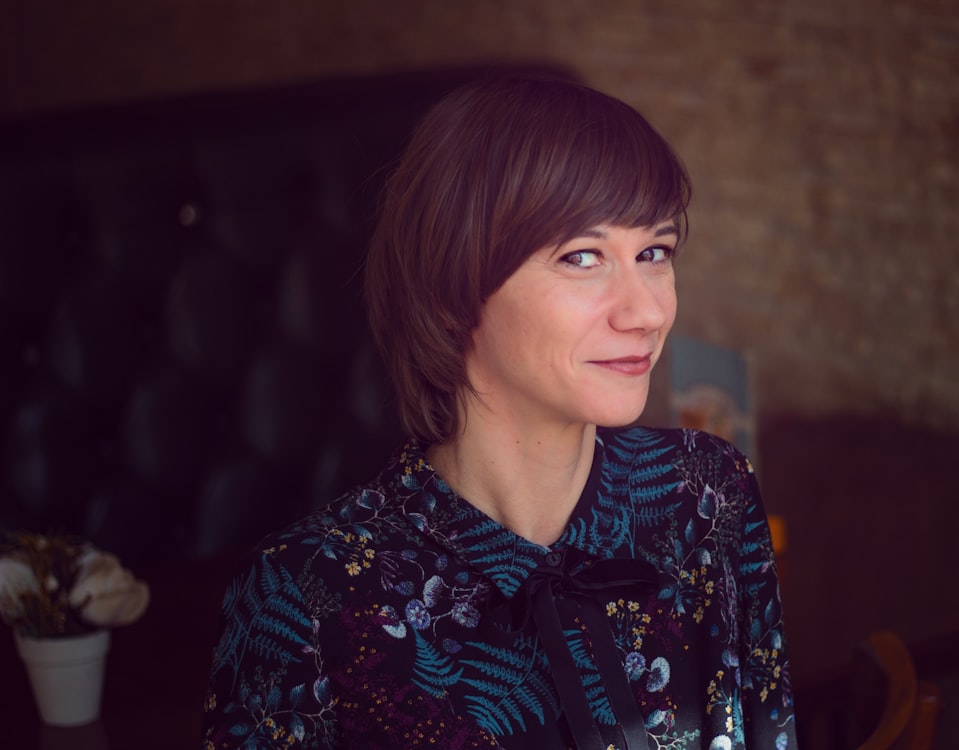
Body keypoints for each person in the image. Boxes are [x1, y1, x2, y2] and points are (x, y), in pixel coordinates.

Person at [202, 74, 797, 750]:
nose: (649, 311)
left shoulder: (707, 491)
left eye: (654, 253)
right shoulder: (304, 592)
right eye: (583, 257)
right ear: (455, 284)